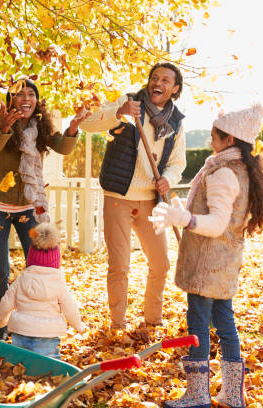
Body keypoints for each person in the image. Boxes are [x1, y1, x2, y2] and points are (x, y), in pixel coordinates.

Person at [150, 104, 263, 408]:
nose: (210, 142)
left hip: (207, 264)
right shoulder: (243, 170)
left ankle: (197, 395)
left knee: (197, 325)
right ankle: (233, 394)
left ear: (229, 139)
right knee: (225, 322)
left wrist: (184, 219)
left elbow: (217, 224)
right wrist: (186, 212)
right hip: (225, 262)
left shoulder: (223, 174)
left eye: (214, 137)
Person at [78, 62, 186, 328]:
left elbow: (177, 163)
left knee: (161, 264)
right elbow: (87, 124)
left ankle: (152, 320)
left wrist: (167, 179)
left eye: (165, 80)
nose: (157, 83)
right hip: (119, 197)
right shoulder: (129, 102)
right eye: (154, 77)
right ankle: (118, 324)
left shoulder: (175, 121)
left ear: (174, 89)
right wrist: (119, 112)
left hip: (151, 200)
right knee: (120, 265)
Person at [0, 79, 88, 340]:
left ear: (37, 101)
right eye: (20, 95)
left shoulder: (41, 127)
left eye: (31, 94)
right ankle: (2, 324)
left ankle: (36, 320)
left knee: (39, 266)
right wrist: (6, 126)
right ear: (11, 101)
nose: (26, 99)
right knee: (1, 269)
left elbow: (63, 147)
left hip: (29, 207)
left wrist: (73, 129)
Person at [0, 223, 86, 358]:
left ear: (31, 258)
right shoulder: (59, 283)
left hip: (21, 330)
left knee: (20, 361)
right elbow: (69, 307)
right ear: (56, 261)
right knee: (49, 364)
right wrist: (78, 326)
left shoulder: (22, 279)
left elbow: (6, 302)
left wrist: (2, 321)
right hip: (47, 334)